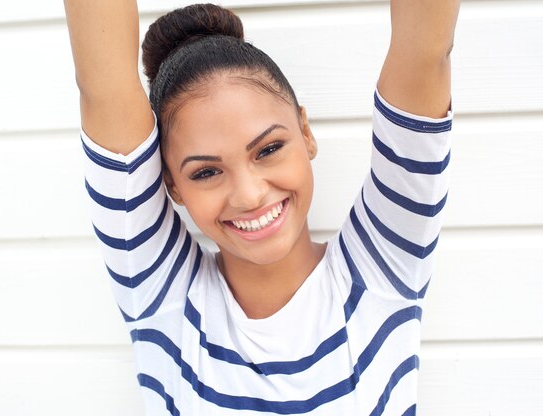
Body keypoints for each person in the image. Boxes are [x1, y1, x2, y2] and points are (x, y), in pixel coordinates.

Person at [64, 1, 459, 414]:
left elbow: (425, 52)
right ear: (172, 186)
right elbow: (103, 87)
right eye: (205, 173)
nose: (249, 195)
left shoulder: (383, 269)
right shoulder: (165, 300)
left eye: (268, 149)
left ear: (305, 132)